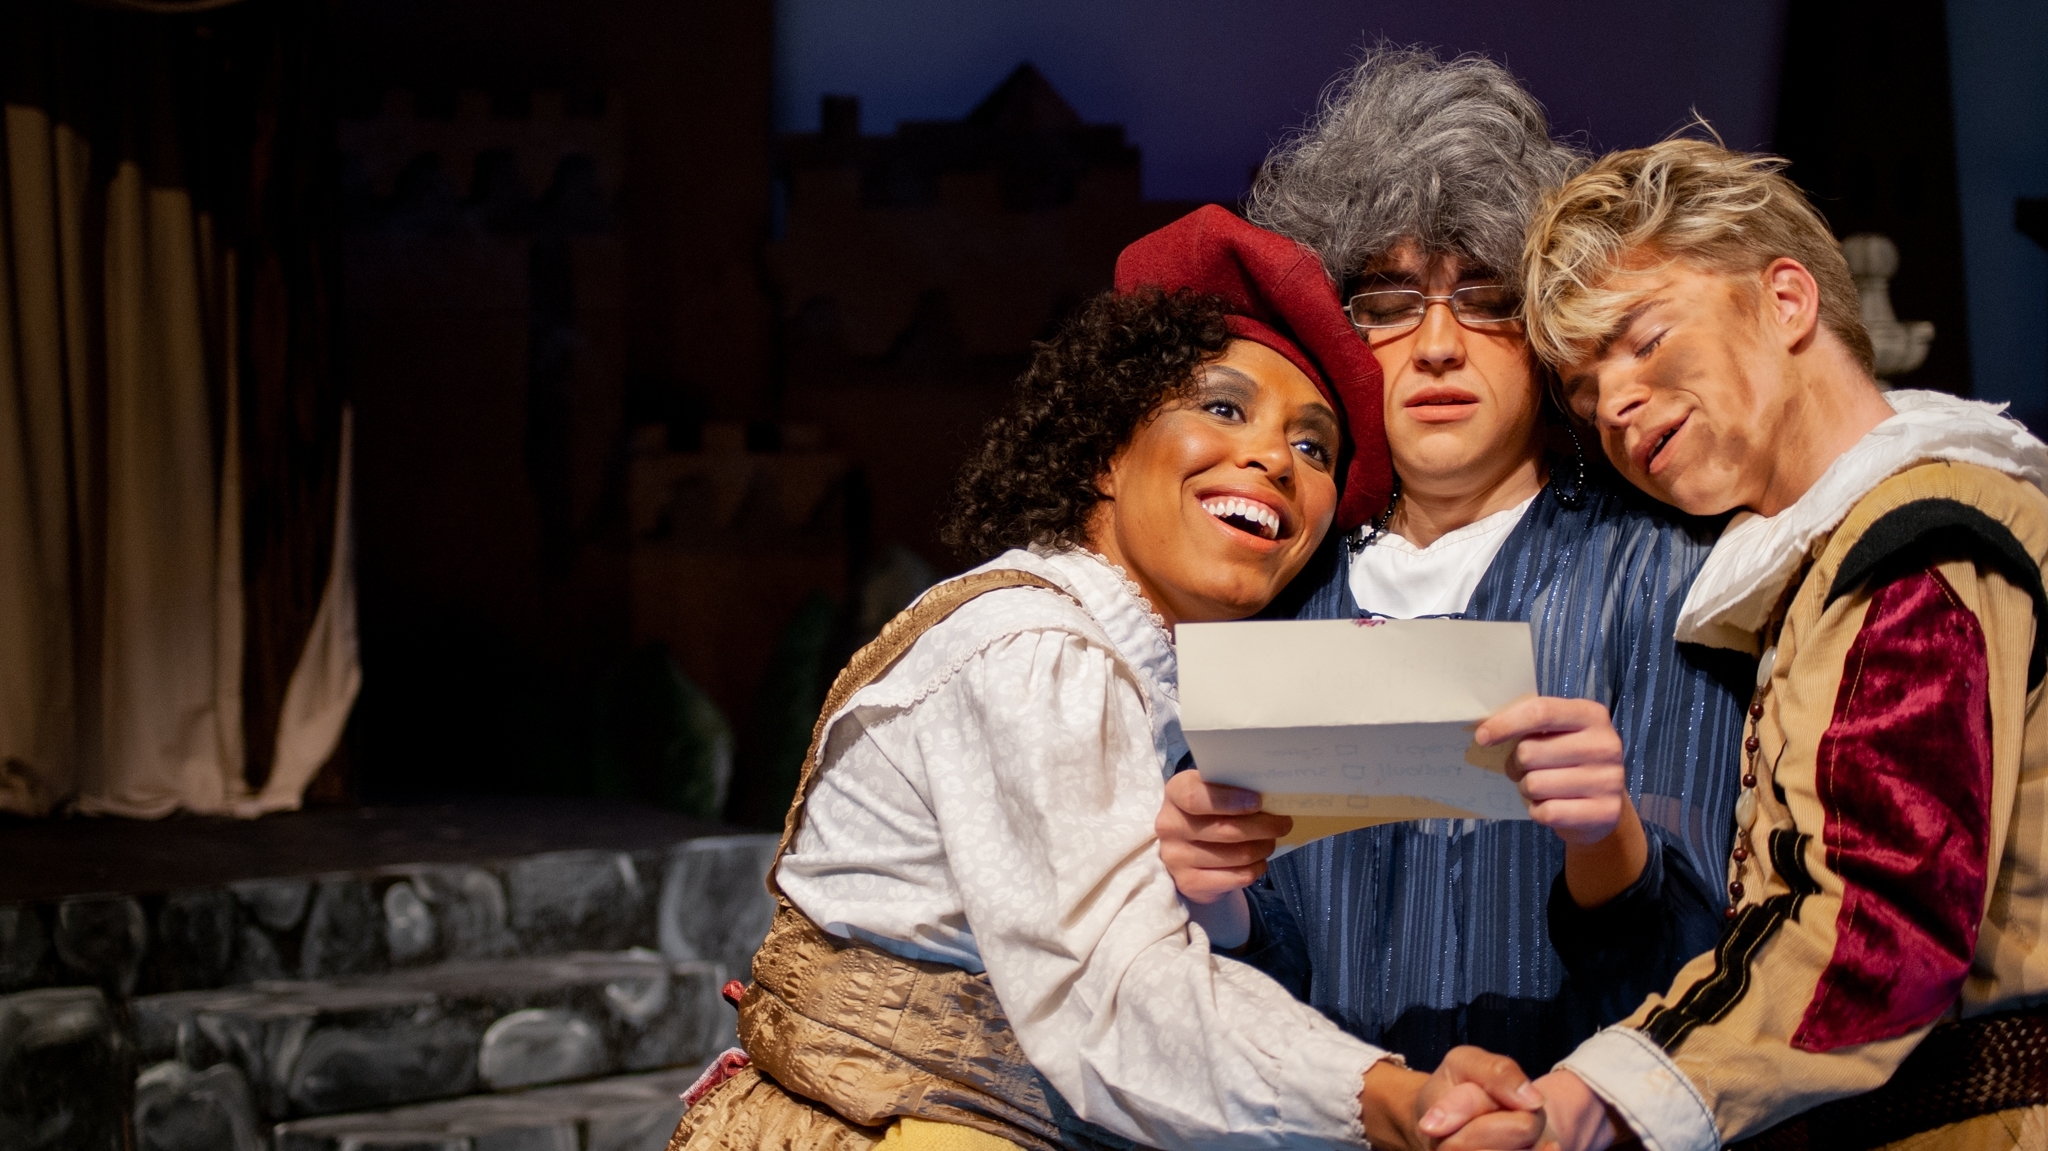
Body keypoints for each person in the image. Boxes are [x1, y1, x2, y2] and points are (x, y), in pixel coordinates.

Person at [671, 205, 1552, 1151]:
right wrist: (1388, 1099)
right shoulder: (1040, 651)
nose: (1271, 457)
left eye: (1314, 447)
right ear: (1104, 451)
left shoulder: (1130, 672)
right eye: (1222, 407)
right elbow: (1119, 1001)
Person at [1155, 48, 1749, 1076]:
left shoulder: (1667, 572)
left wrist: (1609, 841)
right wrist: (1210, 891)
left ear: (1548, 332)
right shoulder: (1267, 591)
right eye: (1386, 300)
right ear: (1334, 334)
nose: (1434, 343)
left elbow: (1710, 970)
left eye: (1482, 294)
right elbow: (1225, 994)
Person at [1478, 137, 2048, 1151]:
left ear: (1785, 301)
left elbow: (1875, 934)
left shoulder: (1919, 535)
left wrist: (1589, 1098)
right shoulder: (1828, 557)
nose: (1609, 403)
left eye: (1641, 338)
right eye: (1581, 389)